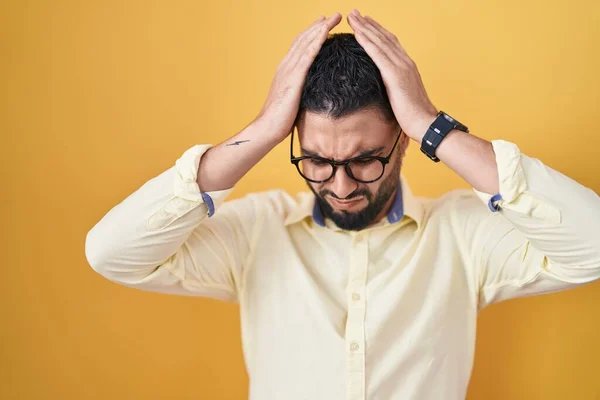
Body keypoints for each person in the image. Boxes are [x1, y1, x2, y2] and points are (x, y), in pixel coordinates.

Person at [85, 9, 600, 400]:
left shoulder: (462, 237)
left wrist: (431, 125)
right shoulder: (254, 233)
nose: (341, 185)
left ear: (402, 141)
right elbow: (111, 253)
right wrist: (264, 130)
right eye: (315, 160)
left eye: (364, 160)